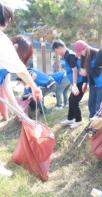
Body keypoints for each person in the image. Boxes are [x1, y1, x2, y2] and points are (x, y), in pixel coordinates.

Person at [0, 3, 42, 177]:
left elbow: (8, 92)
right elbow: (19, 68)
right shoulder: (2, 41)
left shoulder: (4, 63)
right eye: (8, 19)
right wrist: (34, 87)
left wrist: (22, 115)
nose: (8, 23)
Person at [12, 36, 56, 114]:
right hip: (46, 83)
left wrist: (28, 86)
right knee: (32, 95)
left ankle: (44, 111)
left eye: (21, 82)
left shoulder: (28, 71)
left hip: (49, 83)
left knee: (36, 95)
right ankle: (33, 108)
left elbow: (34, 76)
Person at [52, 40, 85, 129]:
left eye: (56, 51)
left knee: (74, 101)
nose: (57, 54)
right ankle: (70, 118)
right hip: (76, 82)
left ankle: (78, 120)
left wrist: (74, 84)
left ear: (60, 48)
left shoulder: (69, 55)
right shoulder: (67, 55)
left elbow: (75, 70)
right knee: (71, 100)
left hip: (80, 82)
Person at [74, 40, 102, 118]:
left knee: (99, 103)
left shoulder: (97, 54)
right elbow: (83, 70)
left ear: (86, 48)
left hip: (101, 82)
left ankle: (99, 121)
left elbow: (97, 72)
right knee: (91, 102)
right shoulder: (83, 56)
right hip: (92, 83)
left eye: (81, 51)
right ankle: (92, 118)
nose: (81, 54)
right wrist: (84, 81)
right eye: (79, 53)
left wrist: (87, 71)